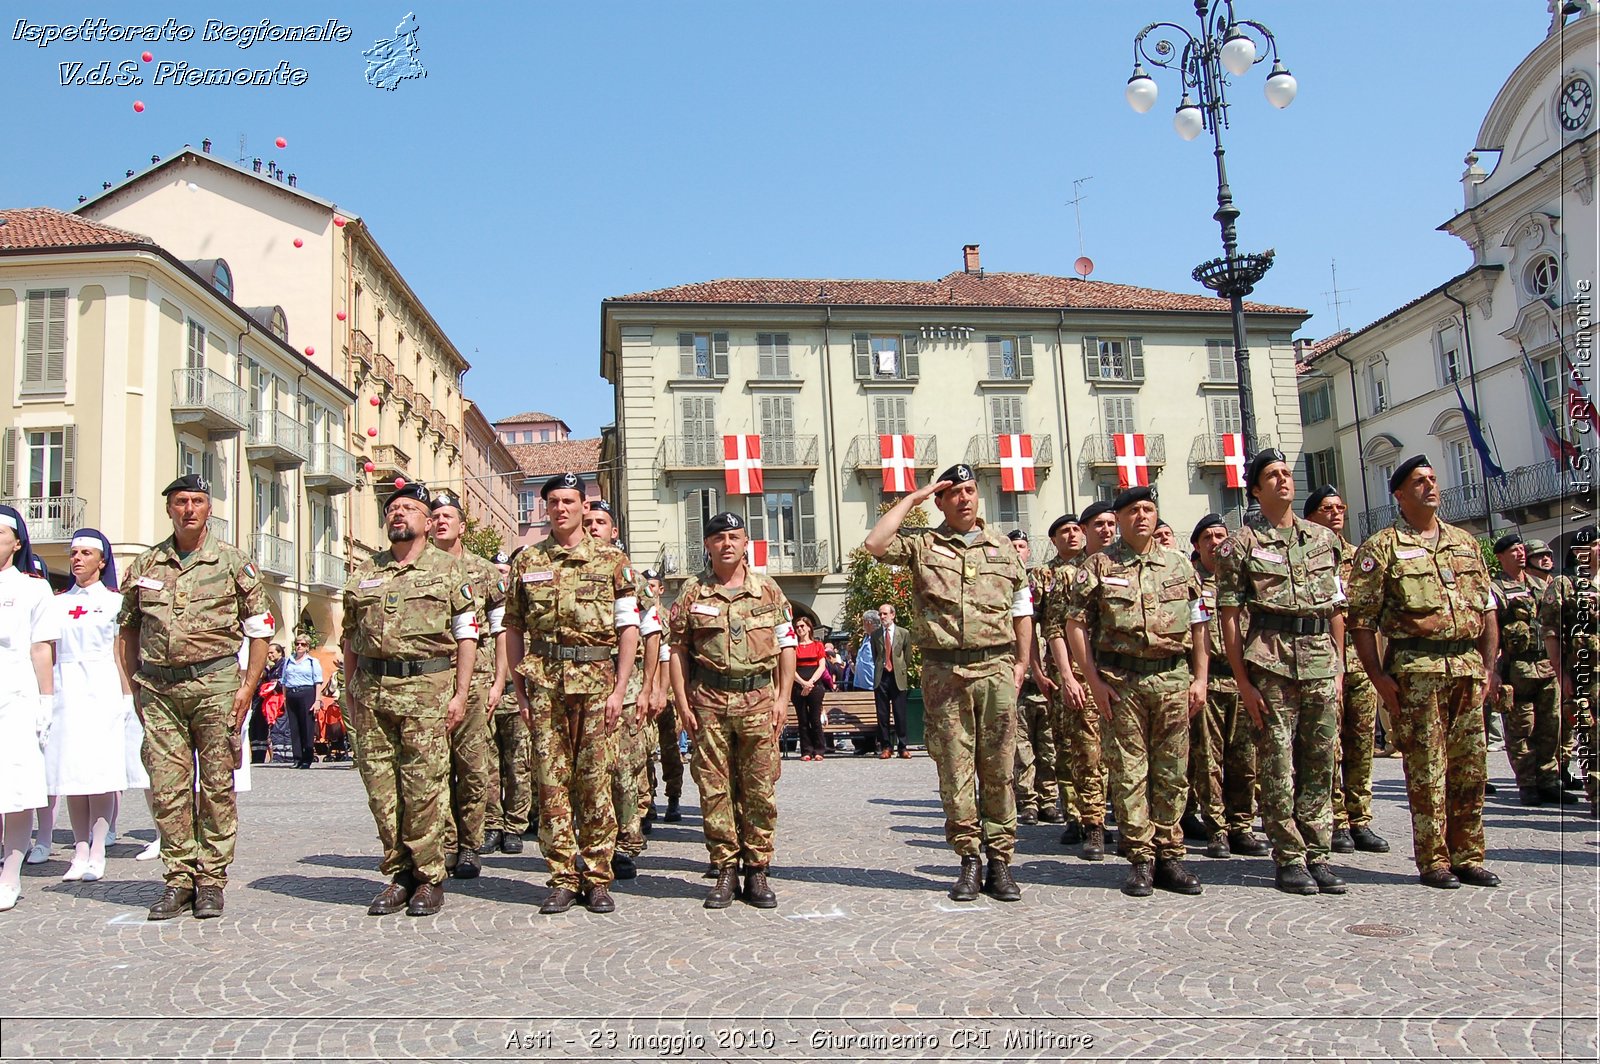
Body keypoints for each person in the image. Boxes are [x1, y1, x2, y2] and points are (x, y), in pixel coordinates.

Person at [865, 464, 1032, 903]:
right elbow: (875, 543)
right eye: (953, 492)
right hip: (944, 672)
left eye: (970, 490)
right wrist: (912, 499)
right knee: (955, 770)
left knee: (998, 768)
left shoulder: (1003, 547)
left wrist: (1022, 663)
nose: (964, 498)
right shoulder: (924, 544)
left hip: (996, 667)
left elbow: (1021, 608)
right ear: (941, 502)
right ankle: (969, 860)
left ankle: (1000, 862)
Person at [115, 474, 273, 920]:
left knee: (217, 786)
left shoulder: (232, 563)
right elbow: (127, 628)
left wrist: (248, 688)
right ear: (169, 508)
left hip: (216, 686)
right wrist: (132, 686)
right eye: (181, 501)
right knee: (167, 788)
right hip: (159, 689)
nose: (189, 509)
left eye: (198, 501)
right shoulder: (146, 566)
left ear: (208, 509)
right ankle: (178, 879)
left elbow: (260, 630)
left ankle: (211, 880)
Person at [1347, 456, 1501, 889]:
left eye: (1433, 479)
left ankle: (1468, 855)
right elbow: (1362, 619)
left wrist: (1489, 668)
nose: (1429, 486)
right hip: (1416, 670)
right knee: (1427, 768)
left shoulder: (1465, 543)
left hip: (1467, 667)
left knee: (1471, 768)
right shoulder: (1382, 547)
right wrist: (1377, 676)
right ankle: (1433, 859)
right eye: (1419, 481)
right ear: (1398, 493)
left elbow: (1487, 609)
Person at [505, 472, 639, 916]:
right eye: (554, 502)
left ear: (585, 505)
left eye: (569, 500)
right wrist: (520, 690)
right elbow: (514, 628)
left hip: (598, 682)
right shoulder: (528, 562)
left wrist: (621, 688)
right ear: (545, 509)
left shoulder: (613, 561)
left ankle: (598, 876)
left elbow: (628, 629)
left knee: (595, 780)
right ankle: (563, 875)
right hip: (545, 682)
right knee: (550, 781)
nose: (561, 508)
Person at [342, 481, 478, 917]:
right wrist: (349, 690)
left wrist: (460, 693)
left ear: (425, 519)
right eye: (392, 509)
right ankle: (398, 873)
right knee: (381, 790)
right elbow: (350, 637)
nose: (398, 514)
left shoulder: (449, 569)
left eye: (408, 508)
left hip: (426, 692)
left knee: (423, 789)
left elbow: (466, 635)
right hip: (373, 693)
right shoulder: (365, 572)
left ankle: (428, 876)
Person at [1064, 486, 1207, 898]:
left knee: (1172, 773)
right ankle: (1140, 859)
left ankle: (1170, 856)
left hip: (1172, 679)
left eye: (1148, 509)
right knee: (1129, 774)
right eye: (1132, 511)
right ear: (1120, 518)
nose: (1141, 517)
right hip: (1121, 682)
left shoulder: (1178, 565)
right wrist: (1092, 679)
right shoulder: (1098, 566)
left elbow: (1199, 622)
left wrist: (1199, 678)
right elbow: (1075, 624)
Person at [1217, 452, 1347, 896]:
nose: (1283, 481)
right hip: (1270, 661)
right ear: (1256, 489)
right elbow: (1230, 617)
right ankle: (1289, 856)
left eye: (1287, 474)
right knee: (1277, 763)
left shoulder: (1323, 540)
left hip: (1319, 661)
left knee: (1321, 761)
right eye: (1272, 476)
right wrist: (1242, 680)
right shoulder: (1240, 545)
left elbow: (1334, 609)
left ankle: (1319, 852)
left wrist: (1340, 666)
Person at [669, 511, 797, 909]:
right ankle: (725, 868)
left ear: (746, 544)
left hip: (758, 699)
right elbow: (677, 651)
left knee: (760, 788)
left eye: (734, 537)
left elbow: (787, 645)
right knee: (714, 788)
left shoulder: (769, 591)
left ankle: (757, 870)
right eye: (718, 537)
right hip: (708, 700)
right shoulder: (692, 592)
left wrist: (782, 699)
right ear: (707, 545)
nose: (727, 543)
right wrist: (682, 702)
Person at [1303, 485, 1390, 855]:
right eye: (1327, 508)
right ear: (1311, 516)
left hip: (1359, 660)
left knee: (1361, 742)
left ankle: (1360, 818)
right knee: (1329, 745)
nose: (1336, 513)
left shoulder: (1360, 557)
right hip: (1322, 659)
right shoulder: (1307, 556)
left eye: (1340, 507)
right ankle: (1335, 819)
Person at [427, 490, 508, 880]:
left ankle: (471, 845)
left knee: (473, 765)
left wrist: (499, 681)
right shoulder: (419, 569)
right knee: (435, 767)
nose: (442, 521)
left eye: (448, 516)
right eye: (436, 515)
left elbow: (501, 629)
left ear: (462, 526)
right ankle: (444, 842)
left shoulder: (485, 572)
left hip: (476, 680)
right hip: (432, 681)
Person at [46, 529, 130, 883]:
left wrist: (127, 697)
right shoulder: (57, 602)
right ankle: (79, 848)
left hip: (101, 687)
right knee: (72, 773)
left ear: (101, 560)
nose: (77, 559)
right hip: (67, 689)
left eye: (85, 553)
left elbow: (120, 653)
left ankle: (98, 848)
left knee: (99, 774)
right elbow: (48, 652)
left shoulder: (114, 602)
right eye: (73, 553)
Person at [581, 497, 658, 882]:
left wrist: (649, 688)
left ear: (614, 530)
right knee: (586, 771)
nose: (593, 527)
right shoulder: (572, 570)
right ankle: (594, 842)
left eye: (601, 522)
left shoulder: (631, 576)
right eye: (588, 521)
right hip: (583, 687)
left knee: (624, 769)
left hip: (624, 691)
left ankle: (626, 843)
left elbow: (653, 633)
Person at [1186, 513, 1266, 860]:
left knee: (1244, 760)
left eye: (1221, 535)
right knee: (1208, 760)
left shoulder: (1241, 582)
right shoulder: (1192, 585)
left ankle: (1241, 826)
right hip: (1210, 679)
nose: (1216, 542)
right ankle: (1216, 828)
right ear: (1197, 546)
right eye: (1208, 537)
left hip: (1242, 680)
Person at [1045, 499, 1116, 860]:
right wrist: (1069, 676)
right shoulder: (1068, 575)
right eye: (1098, 524)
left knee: (1122, 757)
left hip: (1124, 675)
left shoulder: (1128, 566)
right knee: (1087, 754)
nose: (1106, 530)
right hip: (1085, 678)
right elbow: (1056, 628)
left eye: (1110, 524)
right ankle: (1093, 825)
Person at [0, 505, 59, 912]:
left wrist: (46, 699)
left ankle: (11, 873)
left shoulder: (33, 589)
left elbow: (42, 648)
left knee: (15, 786)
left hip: (13, 691)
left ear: (17, 542)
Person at [1488, 533, 1567, 806]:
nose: (1521, 554)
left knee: (1550, 726)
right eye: (1513, 550)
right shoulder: (1495, 589)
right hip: (1517, 667)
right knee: (1521, 728)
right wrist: (1493, 671)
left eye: (1522, 549)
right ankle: (1527, 784)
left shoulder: (1540, 585)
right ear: (1500, 556)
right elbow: (1492, 630)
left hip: (1545, 664)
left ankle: (1549, 780)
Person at [1541, 529, 1598, 816]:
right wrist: (1560, 673)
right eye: (1595, 545)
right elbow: (1551, 632)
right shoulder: (1565, 585)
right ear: (1580, 552)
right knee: (1591, 735)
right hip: (1584, 674)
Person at [1038, 513, 1086, 839]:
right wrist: (1036, 668)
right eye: (1064, 531)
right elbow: (1032, 621)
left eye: (1075, 530)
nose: (1071, 535)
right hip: (1060, 669)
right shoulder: (1045, 575)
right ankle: (1075, 814)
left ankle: (1097, 811)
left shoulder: (1097, 568)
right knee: (1066, 743)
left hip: (1098, 668)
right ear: (1054, 540)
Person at [482, 552, 533, 855]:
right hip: (486, 697)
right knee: (488, 767)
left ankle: (515, 825)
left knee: (518, 765)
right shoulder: (483, 606)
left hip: (515, 696)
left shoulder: (521, 606)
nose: (502, 576)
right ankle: (492, 824)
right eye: (497, 570)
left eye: (506, 571)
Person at [1009, 529, 1059, 823]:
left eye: (1022, 546)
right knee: (1021, 749)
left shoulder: (1040, 586)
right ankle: (1027, 800)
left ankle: (1049, 799)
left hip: (1045, 683)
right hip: (1018, 683)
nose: (1018, 550)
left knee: (1048, 746)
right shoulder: (1004, 586)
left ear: (1029, 552)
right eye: (1013, 545)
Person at [642, 569, 684, 824]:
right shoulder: (638, 615)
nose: (649, 589)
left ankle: (674, 798)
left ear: (661, 590)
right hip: (643, 694)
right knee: (644, 752)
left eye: (653, 585)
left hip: (666, 695)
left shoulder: (669, 619)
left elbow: (669, 656)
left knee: (669, 751)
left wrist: (662, 692)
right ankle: (647, 802)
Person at [871, 602, 912, 759]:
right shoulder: (875, 635)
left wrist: (900, 668)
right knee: (882, 714)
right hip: (882, 677)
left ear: (893, 615)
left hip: (897, 676)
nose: (882, 617)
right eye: (880, 614)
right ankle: (886, 746)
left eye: (885, 614)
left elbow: (907, 655)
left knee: (900, 712)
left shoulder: (903, 633)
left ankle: (903, 746)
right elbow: (876, 656)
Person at [280, 635, 325, 769]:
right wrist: (284, 698)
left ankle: (307, 757)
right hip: (291, 693)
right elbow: (284, 681)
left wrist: (317, 700)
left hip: (307, 692)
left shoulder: (312, 661)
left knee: (307, 726)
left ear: (307, 647)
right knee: (294, 727)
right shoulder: (289, 661)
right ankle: (297, 757)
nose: (299, 646)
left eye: (303, 644)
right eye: (297, 643)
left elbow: (318, 682)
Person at [791, 607, 829, 761]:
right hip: (798, 685)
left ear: (809, 628)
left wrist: (811, 683)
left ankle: (819, 749)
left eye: (802, 626)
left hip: (815, 685)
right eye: (797, 627)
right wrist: (802, 683)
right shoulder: (793, 647)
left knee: (815, 718)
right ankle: (806, 750)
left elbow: (822, 666)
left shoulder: (817, 645)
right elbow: (790, 668)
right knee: (803, 719)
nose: (800, 629)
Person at [249, 643, 284, 764]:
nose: (269, 655)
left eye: (271, 652)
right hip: (262, 702)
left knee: (277, 729)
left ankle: (281, 757)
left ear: (280, 653)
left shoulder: (282, 666)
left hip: (276, 702)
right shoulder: (270, 667)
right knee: (256, 730)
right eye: (268, 653)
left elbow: (279, 683)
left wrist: (267, 687)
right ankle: (257, 757)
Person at [852, 610, 878, 693]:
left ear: (868, 622)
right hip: (860, 684)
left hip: (871, 685)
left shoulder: (879, 638)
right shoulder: (866, 638)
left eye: (863, 621)